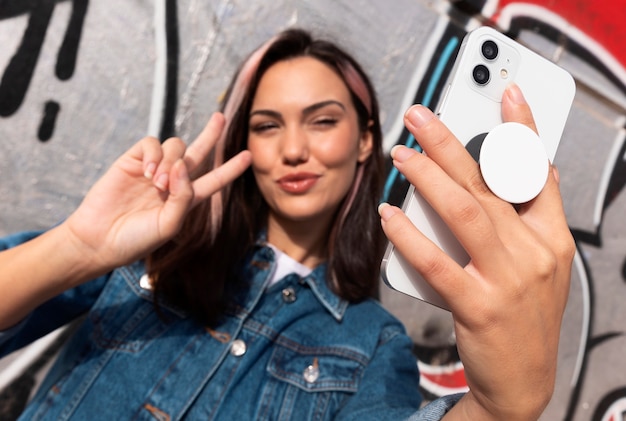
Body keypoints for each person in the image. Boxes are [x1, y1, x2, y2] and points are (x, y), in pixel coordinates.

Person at [0, 28, 573, 420]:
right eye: (268, 125)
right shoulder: (154, 253)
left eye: (322, 120)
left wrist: (500, 409)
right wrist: (77, 246)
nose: (293, 149)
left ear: (365, 140)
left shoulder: (371, 344)